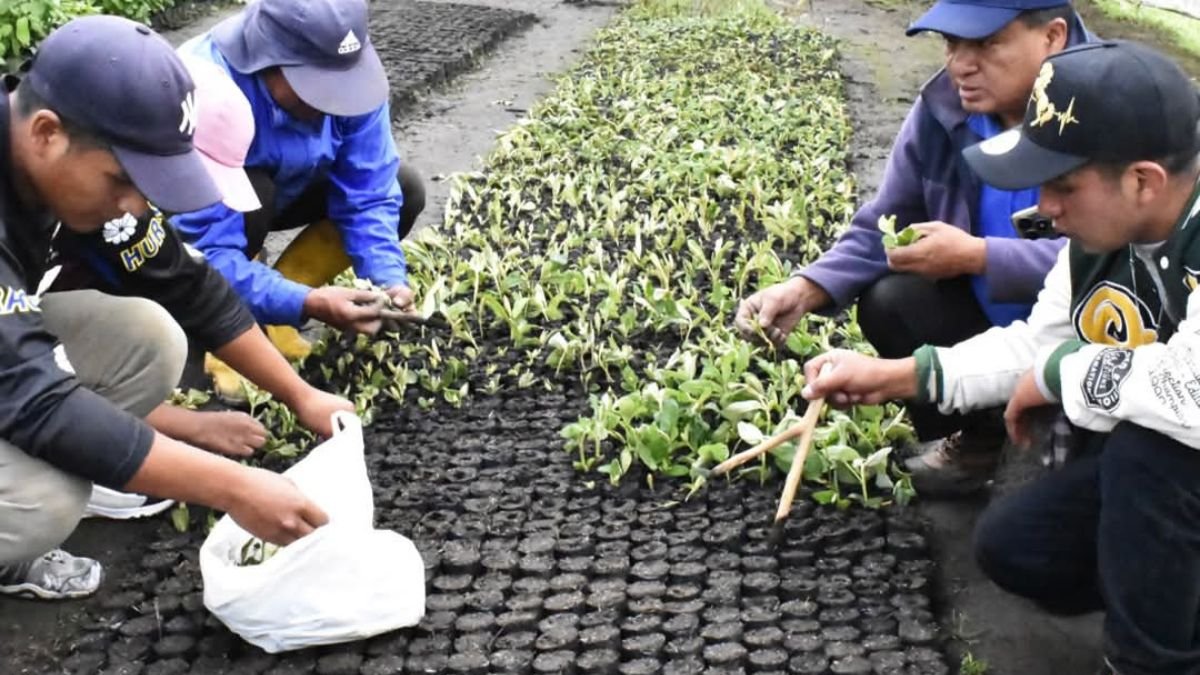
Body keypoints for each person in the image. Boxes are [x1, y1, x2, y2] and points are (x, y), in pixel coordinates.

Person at [802, 41, 1200, 674]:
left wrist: (1060, 373)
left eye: (1063, 186)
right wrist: (899, 376)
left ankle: (1150, 661)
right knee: (1019, 549)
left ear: (1143, 181)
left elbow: (1191, 394)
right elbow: (1038, 341)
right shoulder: (1099, 239)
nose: (1044, 209)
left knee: (1150, 451)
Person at [0, 16, 331, 600]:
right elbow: (33, 400)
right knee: (42, 501)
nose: (132, 204)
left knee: (149, 336)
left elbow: (188, 286)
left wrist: (301, 396)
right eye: (122, 180)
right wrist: (234, 488)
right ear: (47, 134)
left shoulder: (68, 169)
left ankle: (88, 461)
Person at [734, 0, 1094, 496]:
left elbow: (1122, 265)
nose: (960, 64)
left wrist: (980, 256)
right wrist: (805, 288)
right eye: (951, 43)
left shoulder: (1114, 109)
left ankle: (1069, 436)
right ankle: (984, 437)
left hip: (1093, 335)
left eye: (987, 44)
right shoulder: (946, 105)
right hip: (997, 327)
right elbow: (887, 222)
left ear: (1052, 37)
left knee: (1028, 539)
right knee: (894, 298)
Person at [172, 0, 427, 399]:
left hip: (294, 182)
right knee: (253, 198)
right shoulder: (205, 88)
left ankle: (279, 317)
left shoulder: (348, 77)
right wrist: (308, 303)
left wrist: (388, 278)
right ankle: (229, 332)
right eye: (317, 88)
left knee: (405, 187)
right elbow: (207, 249)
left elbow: (369, 191)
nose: (333, 102)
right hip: (202, 218)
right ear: (266, 61)